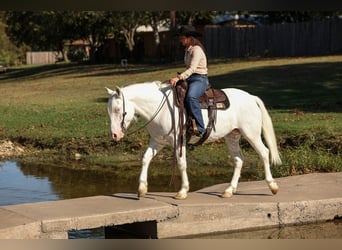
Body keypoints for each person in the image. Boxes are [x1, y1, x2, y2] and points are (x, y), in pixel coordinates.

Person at [169, 25, 209, 137]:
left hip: (200, 79)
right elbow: (188, 69)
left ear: (189, 38)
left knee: (191, 96)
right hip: (190, 78)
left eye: (182, 38)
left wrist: (178, 78)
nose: (181, 41)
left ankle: (201, 127)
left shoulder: (197, 50)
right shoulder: (188, 50)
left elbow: (192, 68)